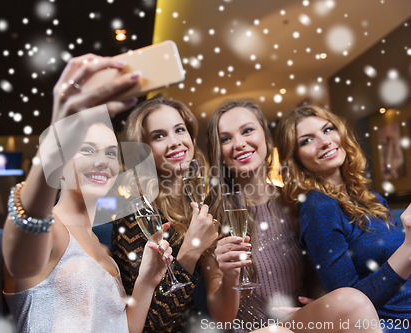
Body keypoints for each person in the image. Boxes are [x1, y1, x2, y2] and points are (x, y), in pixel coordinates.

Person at [2, 54, 173, 333]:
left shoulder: (101, 246)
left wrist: (146, 280)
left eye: (110, 153)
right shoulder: (51, 231)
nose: (102, 161)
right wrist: (59, 136)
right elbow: (24, 242)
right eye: (86, 149)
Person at [206, 100, 383, 333]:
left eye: (247, 130)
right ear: (218, 152)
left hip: (298, 327)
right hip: (252, 330)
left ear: (267, 139)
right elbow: (222, 319)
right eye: (225, 139)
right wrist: (230, 277)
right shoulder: (212, 215)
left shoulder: (296, 202)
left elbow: (321, 277)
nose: (239, 143)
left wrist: (316, 308)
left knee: (353, 305)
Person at [112, 95, 254, 333]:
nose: (175, 142)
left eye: (180, 130)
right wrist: (191, 250)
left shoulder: (203, 202)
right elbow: (148, 324)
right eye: (159, 136)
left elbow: (223, 315)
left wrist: (231, 276)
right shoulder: (135, 213)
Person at [275, 105, 411, 332]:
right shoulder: (319, 206)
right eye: (307, 141)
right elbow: (352, 304)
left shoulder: (372, 197)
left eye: (328, 129)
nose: (325, 141)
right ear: (295, 159)